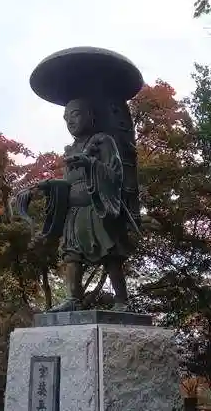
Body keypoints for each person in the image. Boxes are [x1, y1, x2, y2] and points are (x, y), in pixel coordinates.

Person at [27, 97, 136, 312]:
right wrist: (49, 185)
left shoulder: (103, 141)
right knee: (71, 255)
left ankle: (122, 300)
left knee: (110, 254)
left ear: (90, 115)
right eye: (66, 118)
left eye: (75, 114)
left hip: (98, 207)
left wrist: (91, 163)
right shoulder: (70, 150)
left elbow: (115, 174)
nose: (70, 121)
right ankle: (73, 299)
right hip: (75, 211)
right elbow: (68, 183)